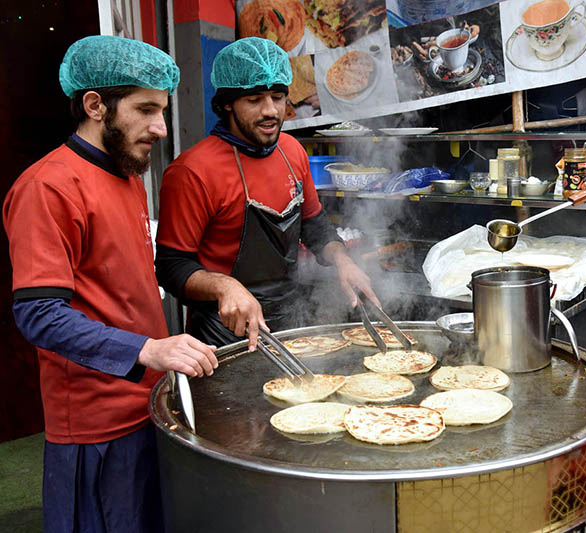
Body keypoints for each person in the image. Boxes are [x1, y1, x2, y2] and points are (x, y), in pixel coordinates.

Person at [3, 35, 218, 533]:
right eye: (145, 109)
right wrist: (149, 349)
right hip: (94, 426)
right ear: (95, 105)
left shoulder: (124, 174)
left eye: (161, 111)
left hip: (148, 401)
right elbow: (39, 314)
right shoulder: (48, 187)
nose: (160, 128)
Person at [155, 37, 377, 350]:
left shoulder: (292, 151)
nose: (271, 110)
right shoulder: (192, 171)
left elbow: (313, 223)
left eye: (277, 96)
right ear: (228, 102)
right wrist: (223, 286)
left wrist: (342, 259)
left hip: (290, 320)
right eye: (255, 99)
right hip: (221, 335)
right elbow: (171, 267)